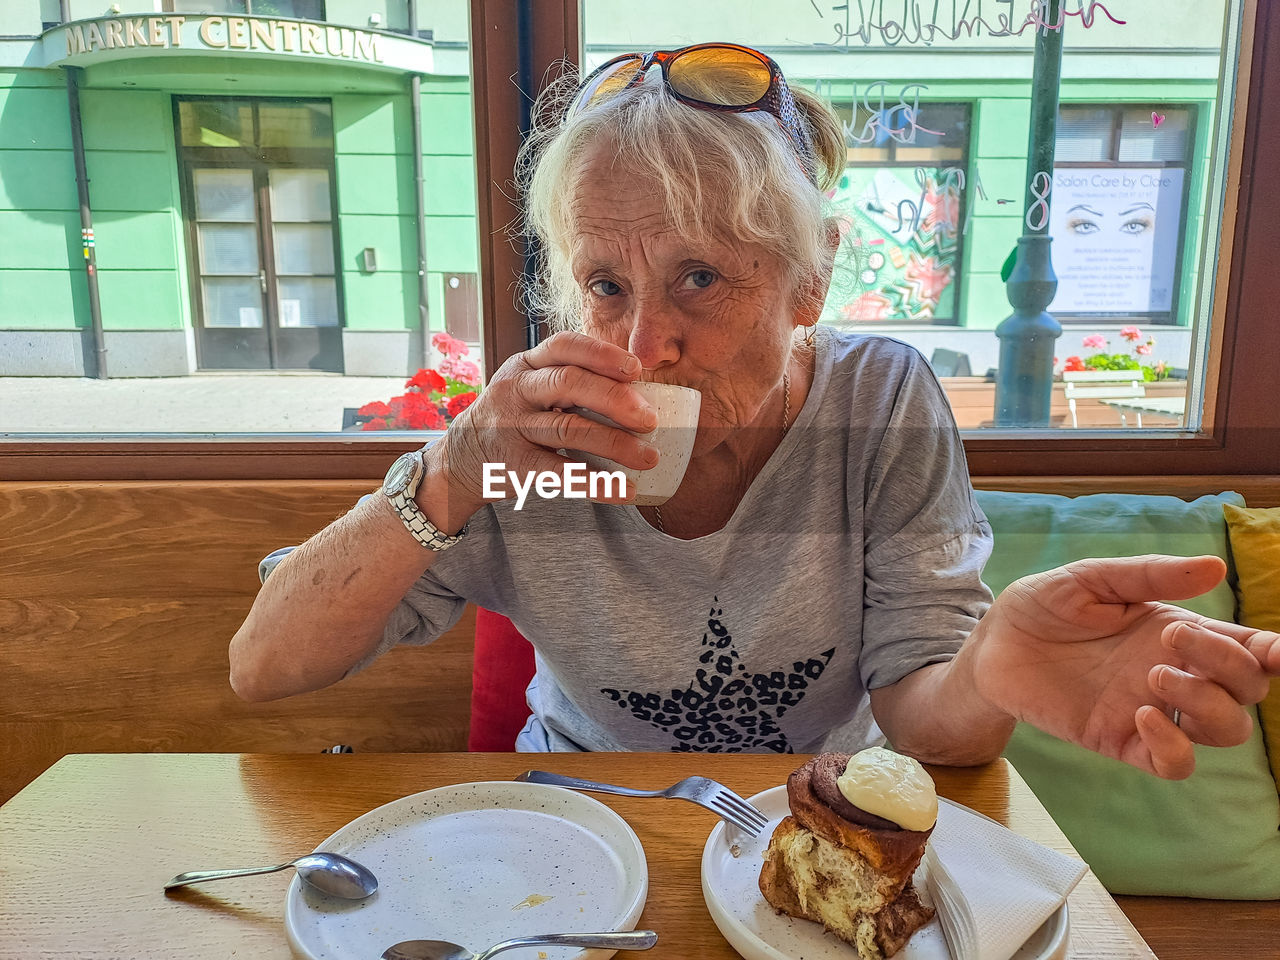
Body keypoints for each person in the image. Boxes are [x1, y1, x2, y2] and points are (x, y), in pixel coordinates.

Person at [230, 43, 1278, 779]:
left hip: (816, 813)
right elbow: (264, 668)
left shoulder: (874, 403)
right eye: (603, 284)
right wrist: (453, 470)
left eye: (698, 277)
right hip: (580, 820)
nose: (641, 346)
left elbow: (929, 722)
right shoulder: (529, 446)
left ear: (806, 283)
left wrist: (989, 666)